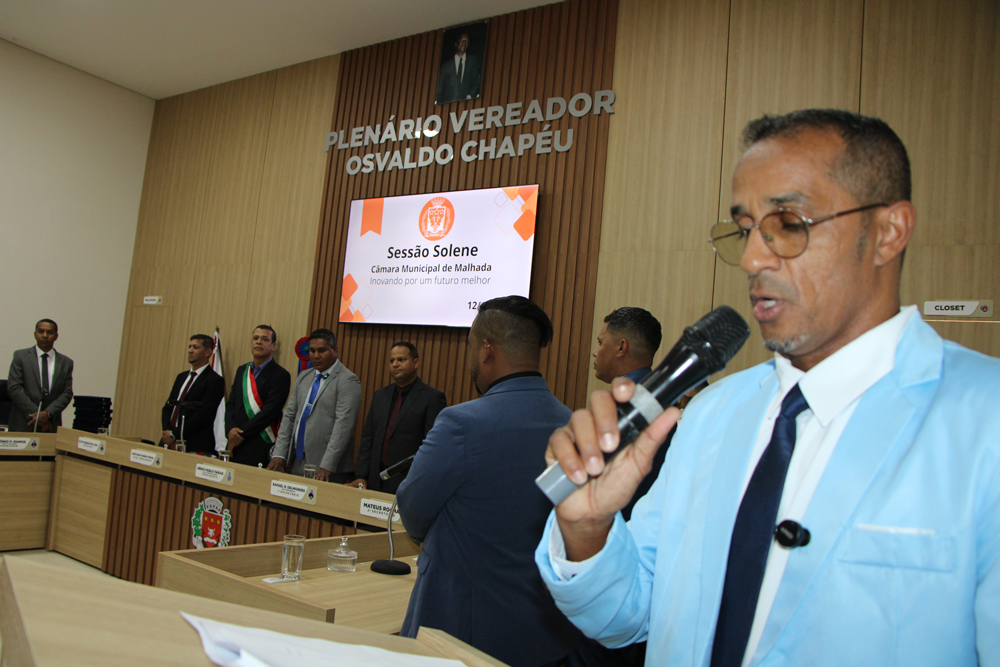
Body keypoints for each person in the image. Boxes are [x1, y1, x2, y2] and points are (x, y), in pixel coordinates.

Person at [536, 109, 1000, 666]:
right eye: (744, 230)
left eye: (788, 224)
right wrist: (588, 529)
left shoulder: (984, 422)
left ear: (887, 232)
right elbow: (630, 614)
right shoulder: (712, 414)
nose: (754, 259)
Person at [397, 296, 579, 667]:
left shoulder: (460, 424)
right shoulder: (573, 425)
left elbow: (412, 512)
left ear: (485, 350)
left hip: (464, 636)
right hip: (549, 637)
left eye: (469, 345)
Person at [347, 341, 446, 494]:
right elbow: (368, 439)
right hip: (374, 482)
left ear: (416, 363)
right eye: (392, 360)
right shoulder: (380, 395)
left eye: (401, 359)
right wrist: (361, 476)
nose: (395, 364)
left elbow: (432, 448)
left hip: (409, 483)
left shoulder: (432, 398)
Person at [267, 328, 361, 483]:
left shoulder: (347, 380)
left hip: (327, 467)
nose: (316, 356)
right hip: (296, 460)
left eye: (322, 350)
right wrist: (279, 453)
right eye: (312, 351)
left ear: (335, 350)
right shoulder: (304, 377)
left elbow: (343, 426)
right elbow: (289, 416)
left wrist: (327, 465)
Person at [224, 325, 291, 468]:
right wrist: (230, 429)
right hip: (234, 443)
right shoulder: (242, 370)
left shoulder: (281, 375)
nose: (259, 342)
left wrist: (240, 435)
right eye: (255, 338)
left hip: (258, 443)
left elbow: (270, 412)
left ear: (273, 346)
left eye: (264, 339)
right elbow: (231, 404)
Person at [160, 334, 225, 454]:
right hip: (168, 441)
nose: (190, 350)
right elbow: (168, 407)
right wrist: (167, 432)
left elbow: (204, 415)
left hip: (194, 444)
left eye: (195, 347)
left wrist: (174, 434)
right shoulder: (181, 377)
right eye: (189, 347)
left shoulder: (214, 380)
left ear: (207, 352)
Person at [6, 319, 74, 432]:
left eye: (49, 332)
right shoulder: (20, 356)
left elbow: (67, 393)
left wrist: (48, 413)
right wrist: (38, 416)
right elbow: (14, 388)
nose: (45, 335)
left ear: (56, 336)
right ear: (35, 334)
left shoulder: (66, 363)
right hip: (23, 424)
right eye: (41, 331)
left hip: (50, 424)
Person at [592, 307, 662, 385]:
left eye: (600, 343)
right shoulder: (656, 388)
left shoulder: (627, 392)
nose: (594, 353)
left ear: (621, 347)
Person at [436, 32, 481, 104]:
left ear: (469, 44)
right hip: (448, 105)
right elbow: (440, 88)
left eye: (466, 41)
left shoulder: (472, 61)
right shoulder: (446, 66)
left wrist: (470, 96)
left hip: (467, 105)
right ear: (456, 44)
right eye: (462, 40)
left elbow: (476, 81)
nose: (464, 43)